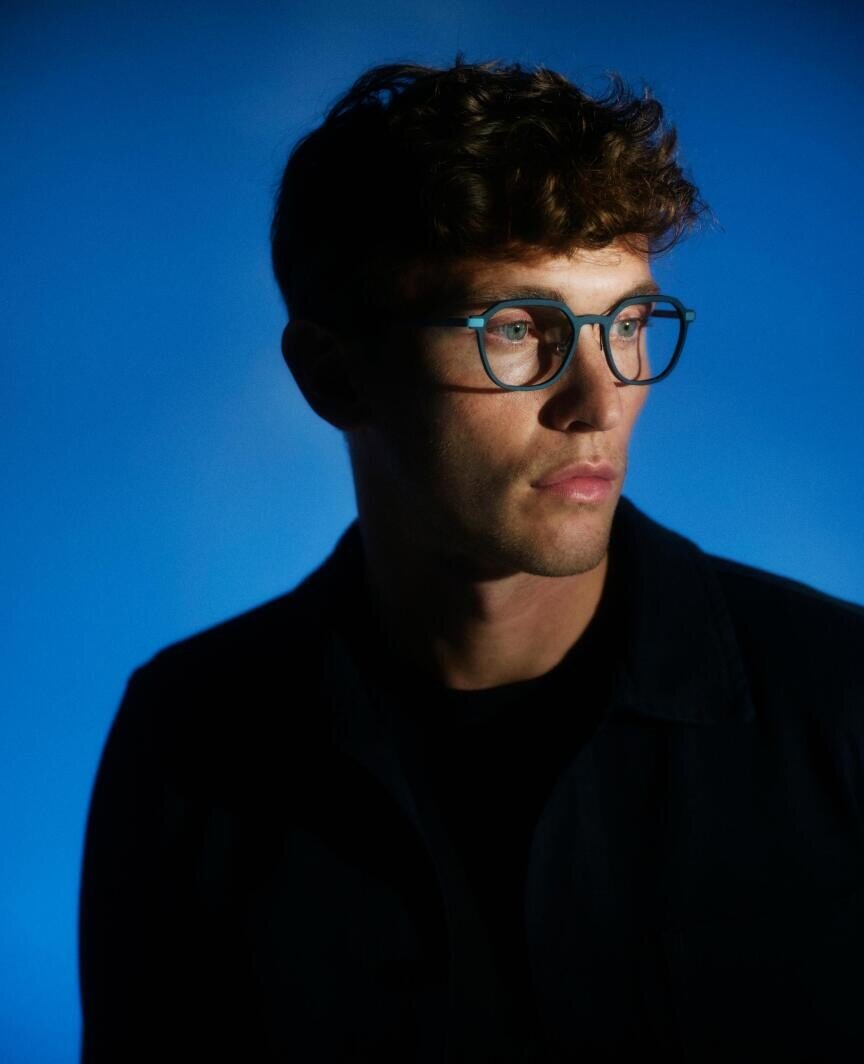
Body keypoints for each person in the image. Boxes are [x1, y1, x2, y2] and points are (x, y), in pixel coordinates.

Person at [78, 58, 864, 1063]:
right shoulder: (189, 733)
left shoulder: (841, 703)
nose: (600, 400)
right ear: (332, 374)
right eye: (516, 332)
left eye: (627, 323)